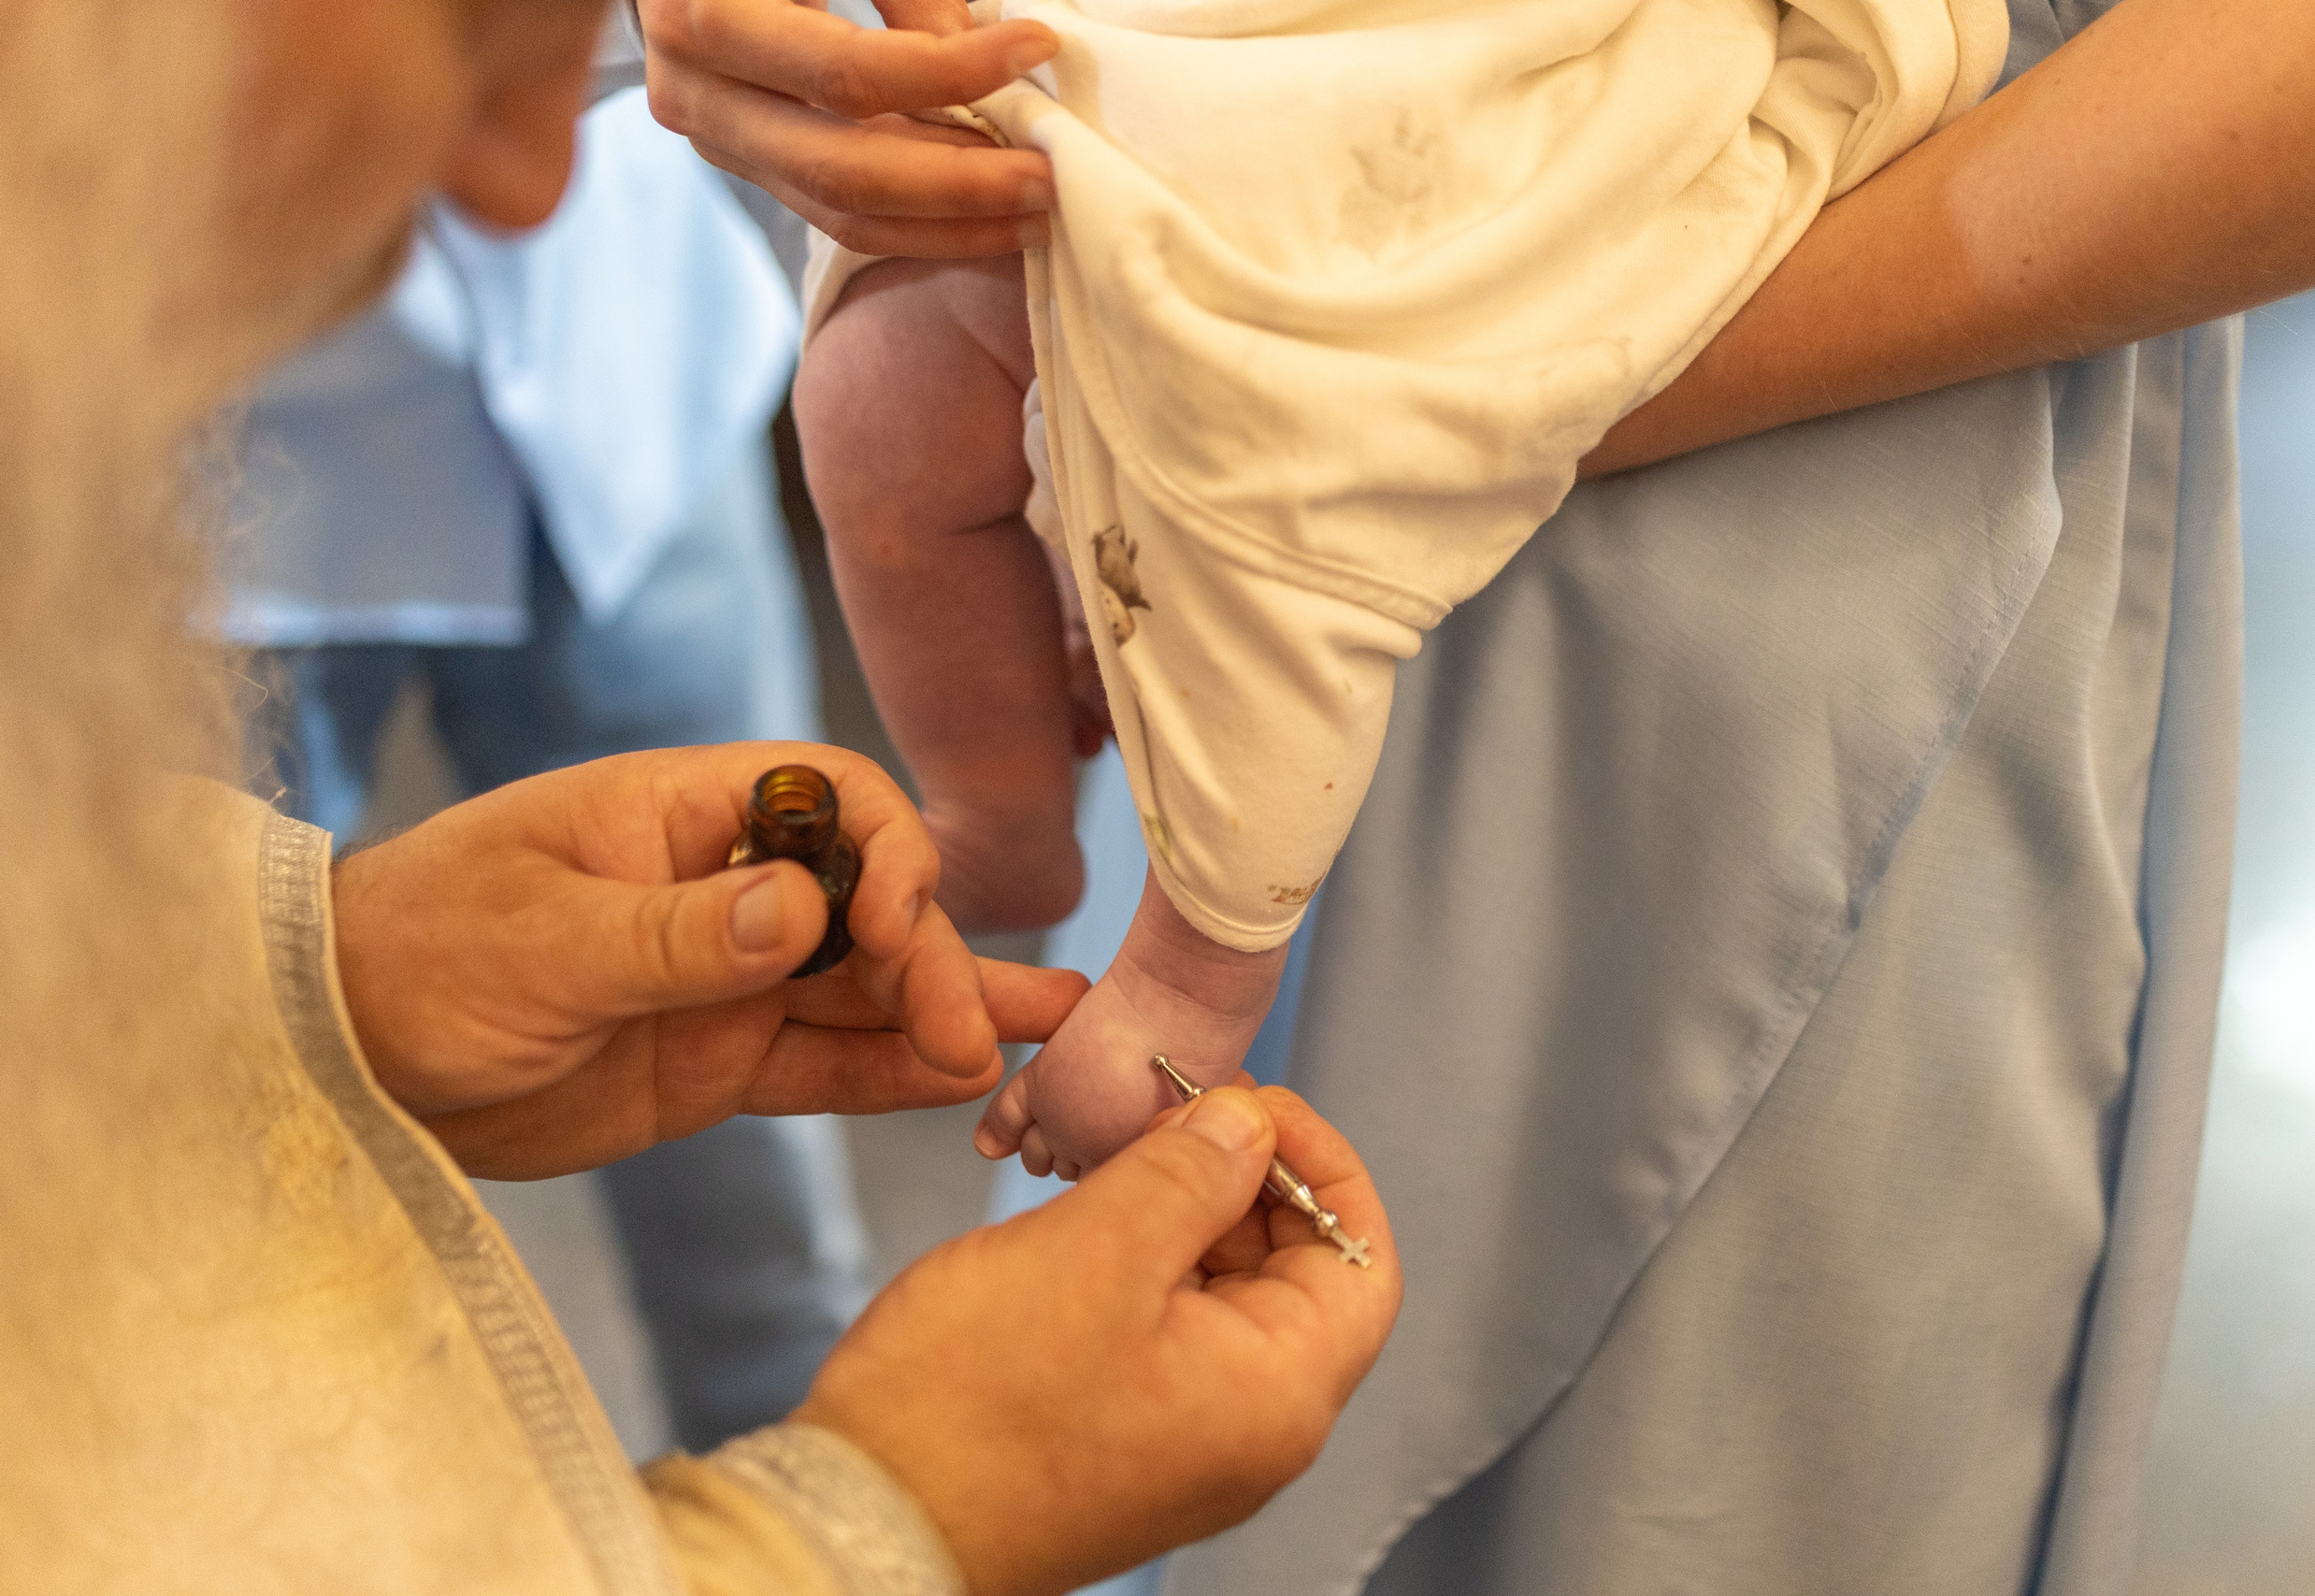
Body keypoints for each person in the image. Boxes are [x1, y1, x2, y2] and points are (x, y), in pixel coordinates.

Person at [633, 0, 2315, 1589]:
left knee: (1635, 1492)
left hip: (1829, 447)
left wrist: (1432, 404)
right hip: (1245, 228)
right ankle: (1028, 837)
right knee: (1142, 1397)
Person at [0, 4, 1402, 1593]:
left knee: (761, 1221)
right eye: (464, 35)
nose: (545, 186)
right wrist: (864, 1531)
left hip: (638, 442)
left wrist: (291, 990)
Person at [791, 0, 2006, 1181]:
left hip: (1819, 307)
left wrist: (1185, 982)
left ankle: (1188, 956)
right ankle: (1010, 807)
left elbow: (1279, 473)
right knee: (877, 387)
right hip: (1198, 66)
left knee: (1246, 446)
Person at [227, 51, 867, 1449]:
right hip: (203, 511)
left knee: (758, 1127)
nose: (530, 188)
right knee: (225, 1151)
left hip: (637, 401)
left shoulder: (588, 183)